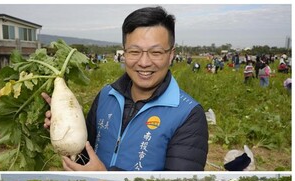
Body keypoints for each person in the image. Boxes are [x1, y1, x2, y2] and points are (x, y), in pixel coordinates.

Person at [43, 6, 208, 171]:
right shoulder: (106, 96)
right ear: (124, 53)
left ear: (171, 54)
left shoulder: (189, 114)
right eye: (134, 51)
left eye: (156, 52)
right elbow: (86, 156)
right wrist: (67, 127)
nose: (144, 62)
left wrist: (105, 177)